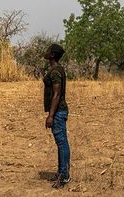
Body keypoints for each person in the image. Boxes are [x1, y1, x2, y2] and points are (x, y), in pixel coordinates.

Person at [43, 43, 70, 189]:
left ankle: (64, 176)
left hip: (58, 112)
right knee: (61, 142)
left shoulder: (55, 72)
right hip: (58, 111)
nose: (45, 52)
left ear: (52, 55)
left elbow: (56, 94)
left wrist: (51, 116)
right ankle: (61, 172)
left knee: (62, 143)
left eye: (48, 51)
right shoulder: (56, 69)